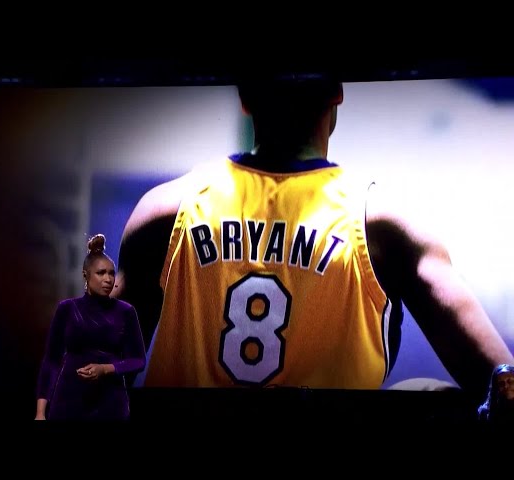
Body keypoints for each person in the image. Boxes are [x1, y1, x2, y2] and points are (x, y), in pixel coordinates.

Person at [112, 75, 514, 398]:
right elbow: (503, 381)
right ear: (338, 92)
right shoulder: (382, 226)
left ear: (244, 98)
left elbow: (94, 381)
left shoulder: (166, 211)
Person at [35, 233, 146, 420]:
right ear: (85, 275)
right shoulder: (67, 309)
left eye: (111, 273)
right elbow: (51, 361)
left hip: (110, 403)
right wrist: (40, 412)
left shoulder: (126, 311)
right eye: (101, 273)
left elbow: (138, 360)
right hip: (69, 400)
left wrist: (105, 369)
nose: (108, 279)